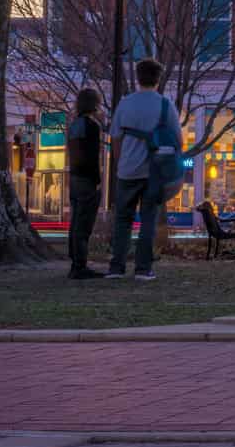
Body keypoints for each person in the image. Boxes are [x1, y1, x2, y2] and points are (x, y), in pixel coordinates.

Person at [109, 57, 176, 281]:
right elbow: (177, 141)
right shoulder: (166, 105)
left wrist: (120, 163)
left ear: (137, 77)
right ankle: (143, 268)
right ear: (158, 79)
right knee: (148, 220)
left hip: (127, 170)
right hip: (154, 173)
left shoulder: (125, 104)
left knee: (122, 220)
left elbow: (115, 138)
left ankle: (116, 267)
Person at [64, 88, 105, 279]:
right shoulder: (92, 126)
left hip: (74, 178)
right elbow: (93, 157)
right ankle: (80, 265)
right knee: (84, 224)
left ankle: (75, 262)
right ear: (94, 104)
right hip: (87, 180)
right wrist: (97, 180)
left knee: (75, 222)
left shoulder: (73, 126)